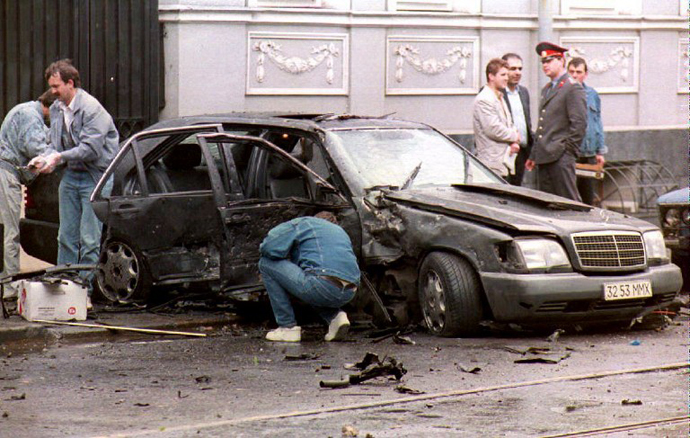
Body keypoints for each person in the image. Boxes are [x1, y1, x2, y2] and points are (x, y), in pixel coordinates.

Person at [29, 59, 119, 296]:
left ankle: (83, 293)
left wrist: (58, 157)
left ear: (71, 83)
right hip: (72, 175)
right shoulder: (57, 108)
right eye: (51, 86)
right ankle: (63, 289)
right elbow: (54, 143)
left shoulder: (91, 108)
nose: (53, 91)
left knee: (89, 239)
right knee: (65, 236)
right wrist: (44, 159)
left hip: (95, 176)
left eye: (56, 86)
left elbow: (91, 149)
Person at [258, 211, 360, 342]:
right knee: (310, 278)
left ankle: (287, 327)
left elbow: (269, 247)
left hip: (321, 285)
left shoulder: (306, 223)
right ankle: (336, 317)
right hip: (349, 292)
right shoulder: (341, 232)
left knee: (266, 263)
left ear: (315, 219)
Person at [0, 90, 57, 297]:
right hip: (6, 175)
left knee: (5, 230)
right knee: (10, 232)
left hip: (6, 174)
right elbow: (37, 149)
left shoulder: (25, 111)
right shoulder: (31, 116)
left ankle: (5, 282)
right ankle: (8, 286)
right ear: (50, 106)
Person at [525, 42, 587, 201]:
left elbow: (579, 124)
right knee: (548, 204)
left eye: (550, 60)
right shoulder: (547, 89)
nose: (545, 65)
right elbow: (543, 124)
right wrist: (534, 154)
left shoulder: (572, 87)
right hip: (545, 155)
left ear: (561, 61)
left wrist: (568, 153)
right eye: (543, 62)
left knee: (569, 203)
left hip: (560, 156)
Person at [567, 57, 608, 206]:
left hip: (589, 153)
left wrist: (600, 151)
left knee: (587, 197)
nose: (575, 75)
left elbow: (597, 122)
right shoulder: (565, 93)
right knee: (571, 197)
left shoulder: (592, 94)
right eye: (571, 72)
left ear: (585, 74)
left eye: (578, 72)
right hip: (571, 153)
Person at [472, 58, 520, 178]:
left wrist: (514, 141)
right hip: (491, 164)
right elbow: (493, 129)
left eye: (507, 75)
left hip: (503, 162)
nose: (506, 78)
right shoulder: (484, 99)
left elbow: (509, 123)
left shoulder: (499, 96)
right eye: (503, 75)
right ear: (491, 76)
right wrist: (515, 137)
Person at [501, 53, 534, 186]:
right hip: (504, 153)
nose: (517, 72)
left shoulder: (523, 92)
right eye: (513, 68)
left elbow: (527, 123)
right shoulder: (497, 93)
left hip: (521, 153)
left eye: (520, 69)